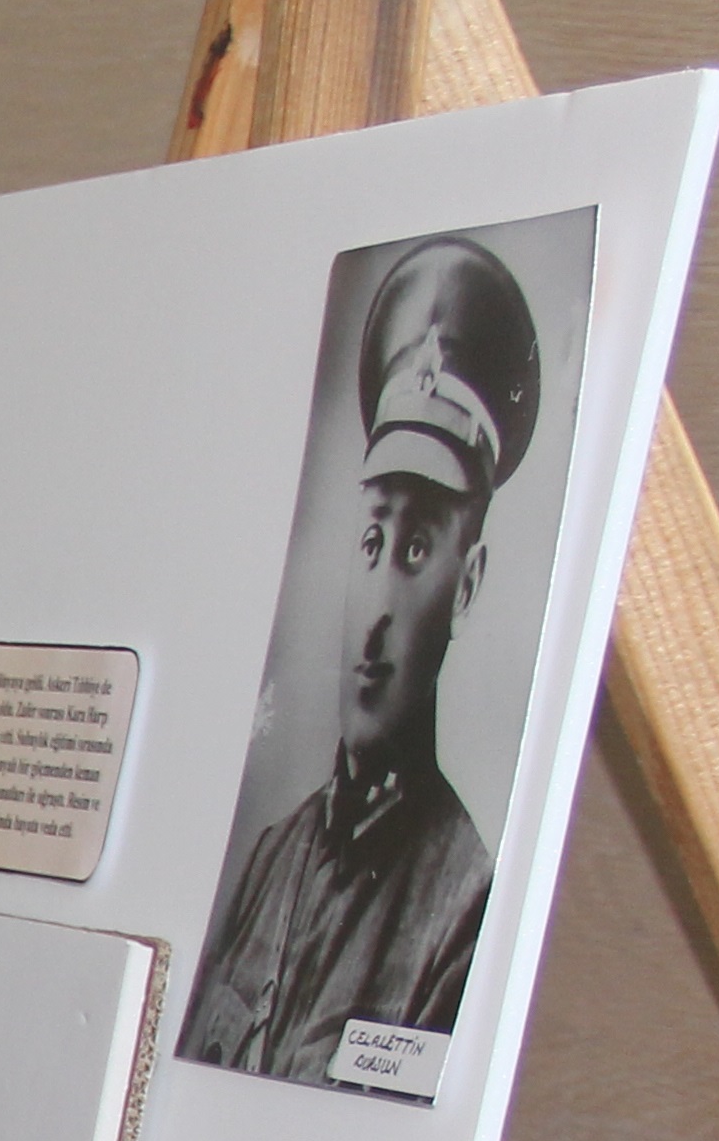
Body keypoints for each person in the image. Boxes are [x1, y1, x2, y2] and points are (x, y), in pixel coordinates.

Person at [180, 232, 543, 1086]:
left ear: (467, 583)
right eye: (373, 539)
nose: (376, 611)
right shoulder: (272, 858)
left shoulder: (463, 907)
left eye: (417, 551)